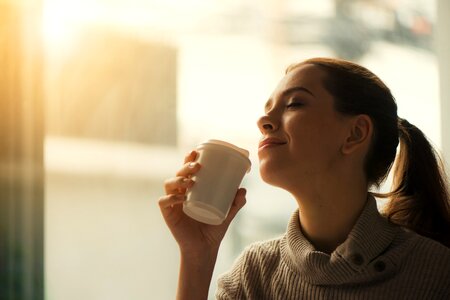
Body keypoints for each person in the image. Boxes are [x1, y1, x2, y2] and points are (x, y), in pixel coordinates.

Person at [158, 57, 450, 299]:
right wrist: (197, 255)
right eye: (267, 109)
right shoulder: (255, 274)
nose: (263, 121)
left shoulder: (437, 274)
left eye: (295, 103)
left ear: (355, 133)